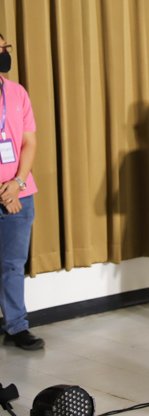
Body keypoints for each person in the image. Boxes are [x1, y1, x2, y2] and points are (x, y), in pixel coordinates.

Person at [0, 34, 43, 351]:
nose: (3, 53)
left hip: (19, 194)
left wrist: (18, 183)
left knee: (13, 265)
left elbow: (29, 142)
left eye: (4, 48)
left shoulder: (17, 92)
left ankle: (16, 326)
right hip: (7, 195)